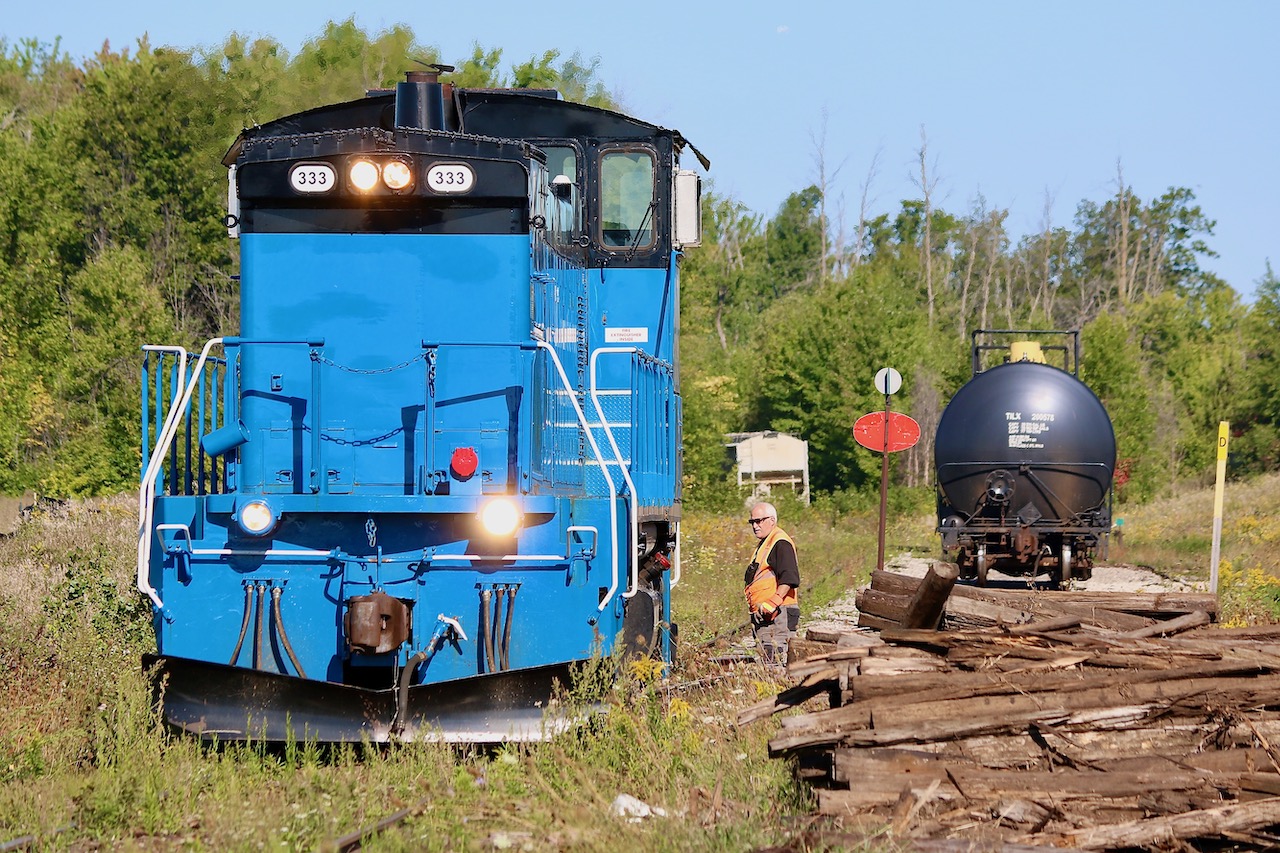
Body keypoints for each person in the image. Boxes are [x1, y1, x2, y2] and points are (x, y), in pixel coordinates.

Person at [742, 501, 800, 668]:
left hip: (778, 613)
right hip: (767, 614)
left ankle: (779, 692)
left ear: (772, 521)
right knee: (768, 659)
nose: (755, 526)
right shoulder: (766, 543)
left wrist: (773, 601)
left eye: (759, 521)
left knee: (775, 661)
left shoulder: (780, 542)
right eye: (752, 522)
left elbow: (790, 577)